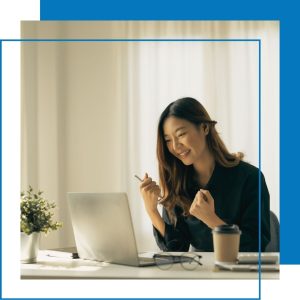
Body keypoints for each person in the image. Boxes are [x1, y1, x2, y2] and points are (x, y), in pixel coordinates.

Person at [138, 97, 270, 252]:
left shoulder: (250, 178)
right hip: (201, 273)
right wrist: (152, 211)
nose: (175, 146)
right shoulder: (177, 182)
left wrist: (212, 220)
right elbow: (177, 249)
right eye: (168, 140)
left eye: (181, 134)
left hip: (240, 274)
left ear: (205, 128)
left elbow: (255, 244)